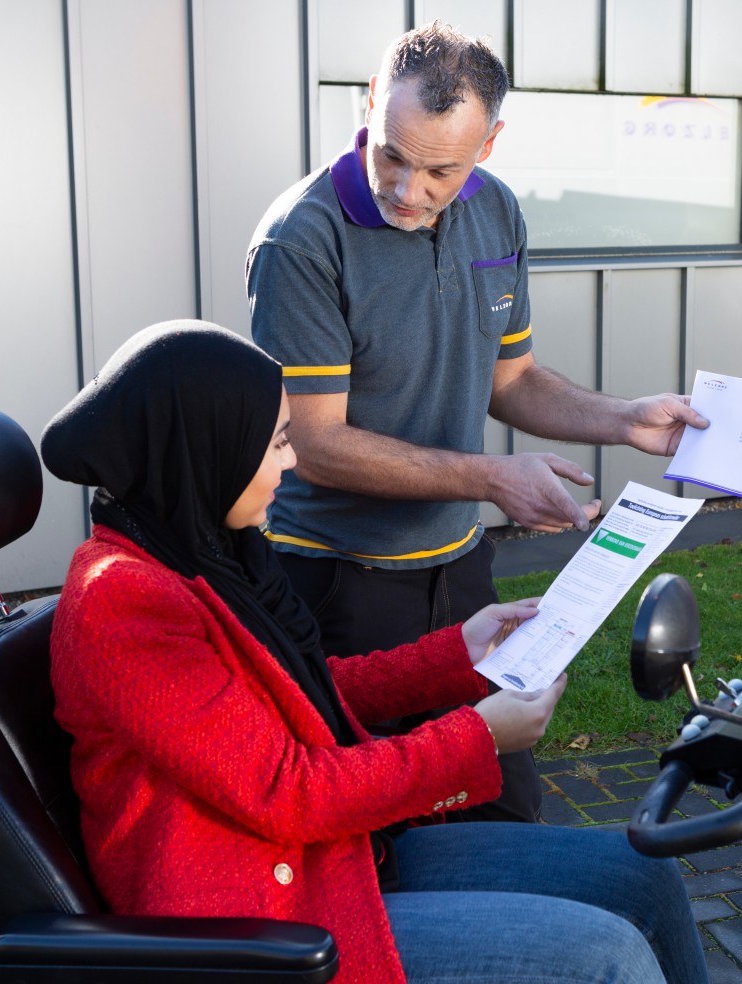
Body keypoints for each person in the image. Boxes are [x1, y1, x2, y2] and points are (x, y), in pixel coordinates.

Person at [40, 320, 708, 984]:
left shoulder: (205, 549)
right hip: (267, 921)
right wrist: (476, 737)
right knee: (605, 959)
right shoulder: (123, 603)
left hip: (335, 859)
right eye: (275, 443)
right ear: (206, 448)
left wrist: (460, 656)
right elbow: (288, 791)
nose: (292, 462)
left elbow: (300, 694)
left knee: (644, 876)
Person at [246, 22, 709, 823]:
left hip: (461, 575)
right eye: (393, 155)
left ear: (488, 145)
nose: (408, 190)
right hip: (336, 584)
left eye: (441, 170)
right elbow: (314, 446)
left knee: (501, 815)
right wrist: (492, 477)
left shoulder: (495, 213)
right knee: (371, 830)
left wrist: (625, 419)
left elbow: (514, 379)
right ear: (370, 106)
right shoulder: (303, 239)